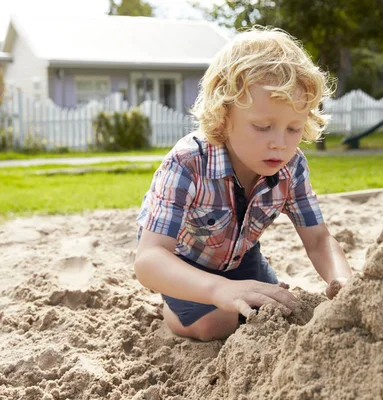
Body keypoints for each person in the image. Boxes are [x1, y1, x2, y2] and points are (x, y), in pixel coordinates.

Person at [134, 27, 353, 341]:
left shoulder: (292, 166)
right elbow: (149, 260)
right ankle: (172, 308)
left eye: (293, 128)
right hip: (181, 264)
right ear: (223, 116)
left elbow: (318, 238)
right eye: (263, 127)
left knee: (279, 310)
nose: (279, 143)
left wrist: (342, 278)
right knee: (217, 324)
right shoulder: (187, 163)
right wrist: (219, 289)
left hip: (241, 258)